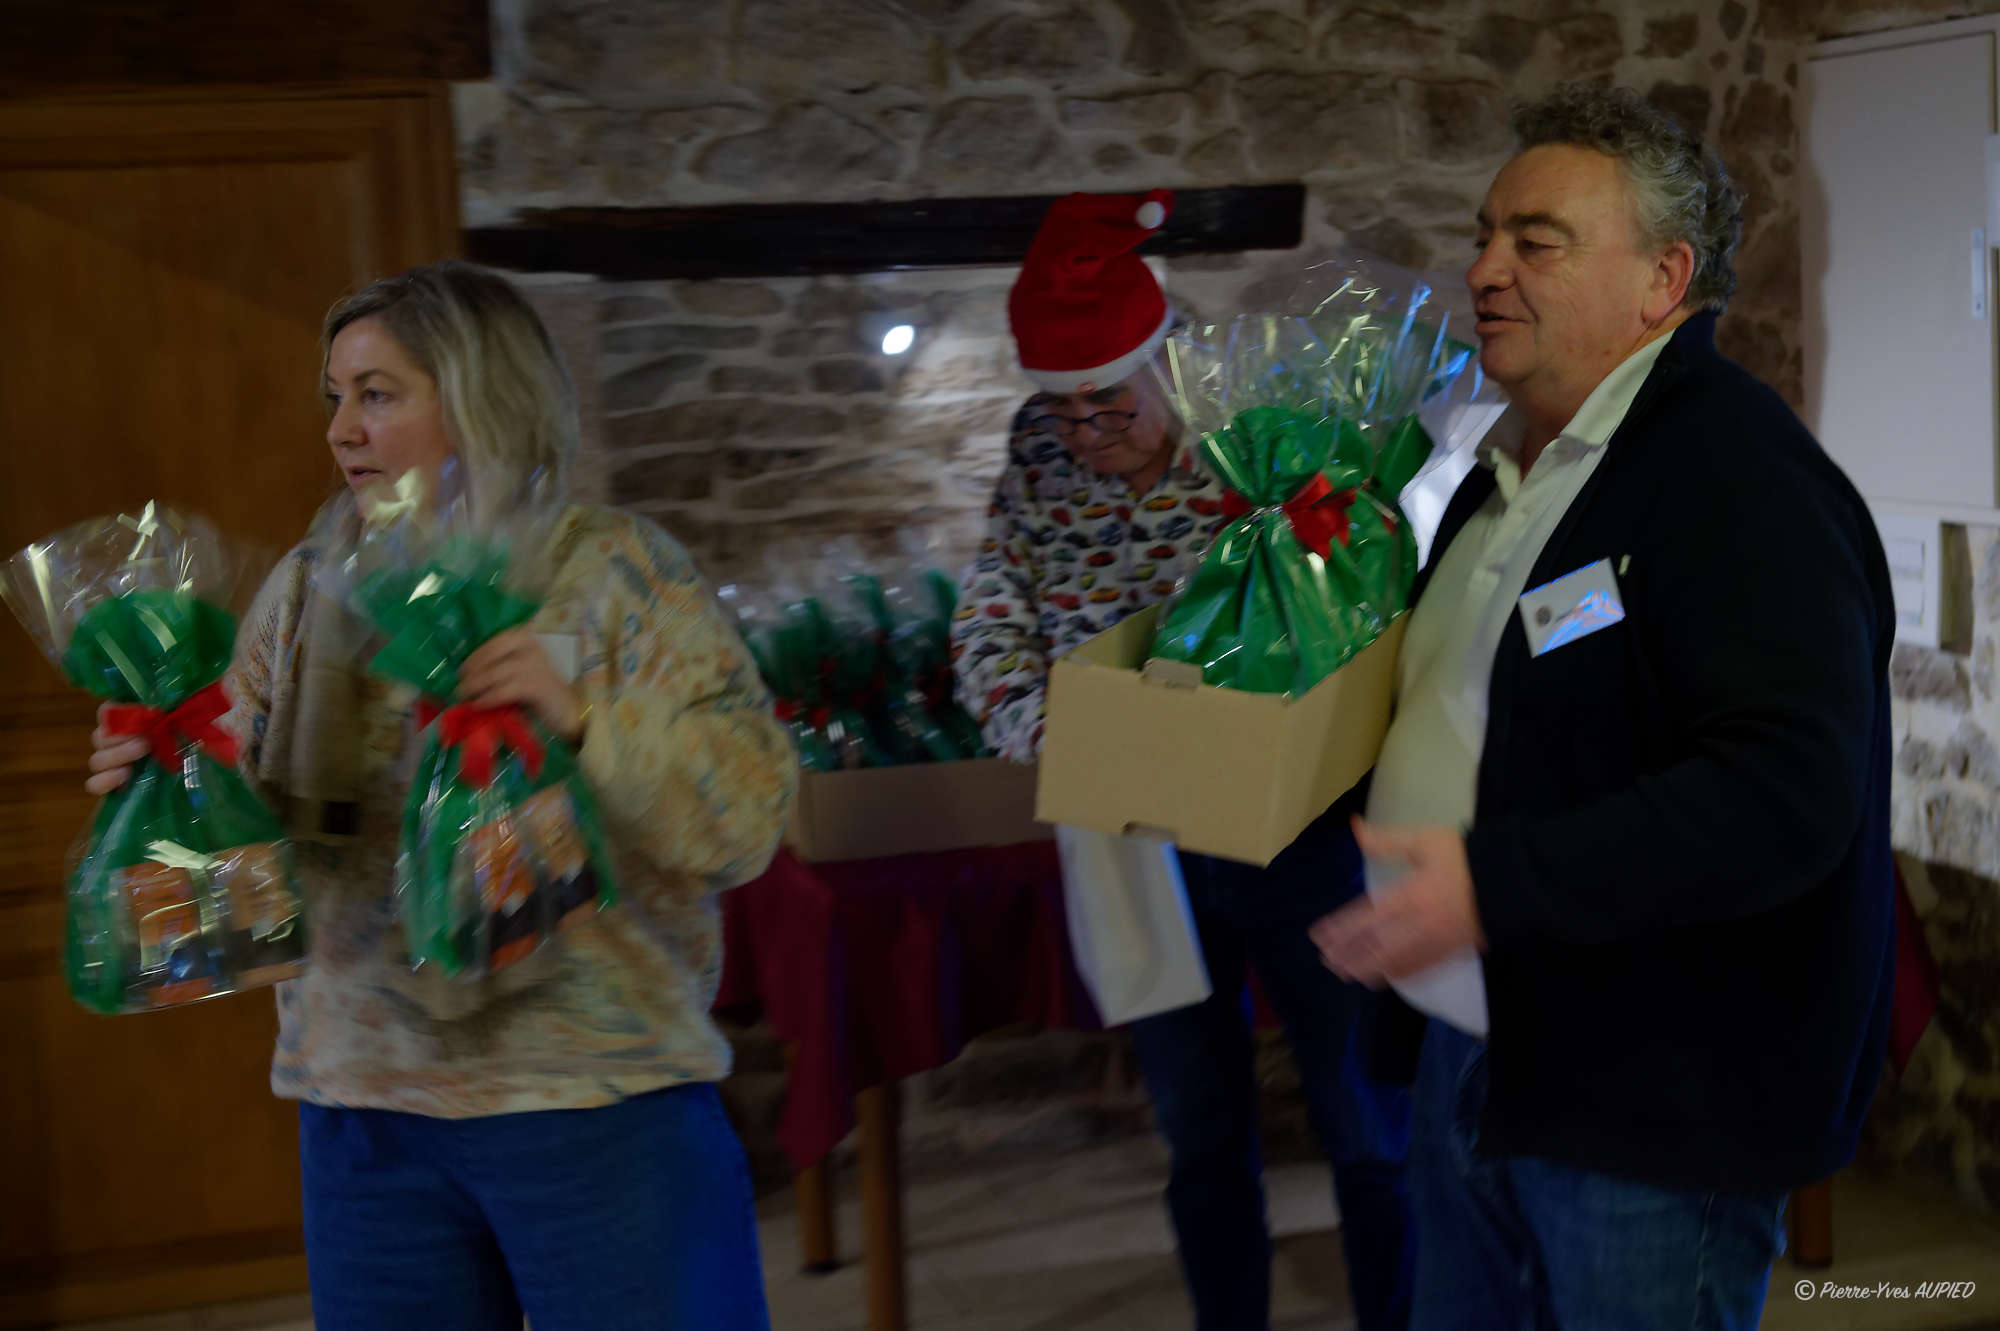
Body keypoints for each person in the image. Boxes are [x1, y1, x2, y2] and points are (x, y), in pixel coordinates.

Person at [86, 261, 795, 1331]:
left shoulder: (616, 572)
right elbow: (249, 892)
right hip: (363, 1113)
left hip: (596, 1102)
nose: (341, 430)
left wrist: (585, 721)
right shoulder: (307, 587)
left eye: (377, 393)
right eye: (336, 396)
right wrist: (173, 789)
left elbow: (746, 818)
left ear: (479, 399)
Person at [1310, 84, 1895, 1330]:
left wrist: (1491, 882)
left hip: (1647, 1106)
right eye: (1483, 235)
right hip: (1478, 1050)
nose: (1484, 269)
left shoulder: (1736, 481)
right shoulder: (1510, 466)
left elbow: (1783, 794)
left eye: (1536, 242)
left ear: (1661, 280)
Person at [953, 190, 1416, 1331]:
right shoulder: (1037, 455)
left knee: (1363, 1120)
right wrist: (1044, 727)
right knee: (1199, 1130)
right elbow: (989, 614)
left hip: (1294, 827)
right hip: (1134, 833)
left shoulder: (1257, 431)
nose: (1084, 430)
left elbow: (1352, 597)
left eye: (1106, 401)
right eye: (1060, 407)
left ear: (1162, 360)